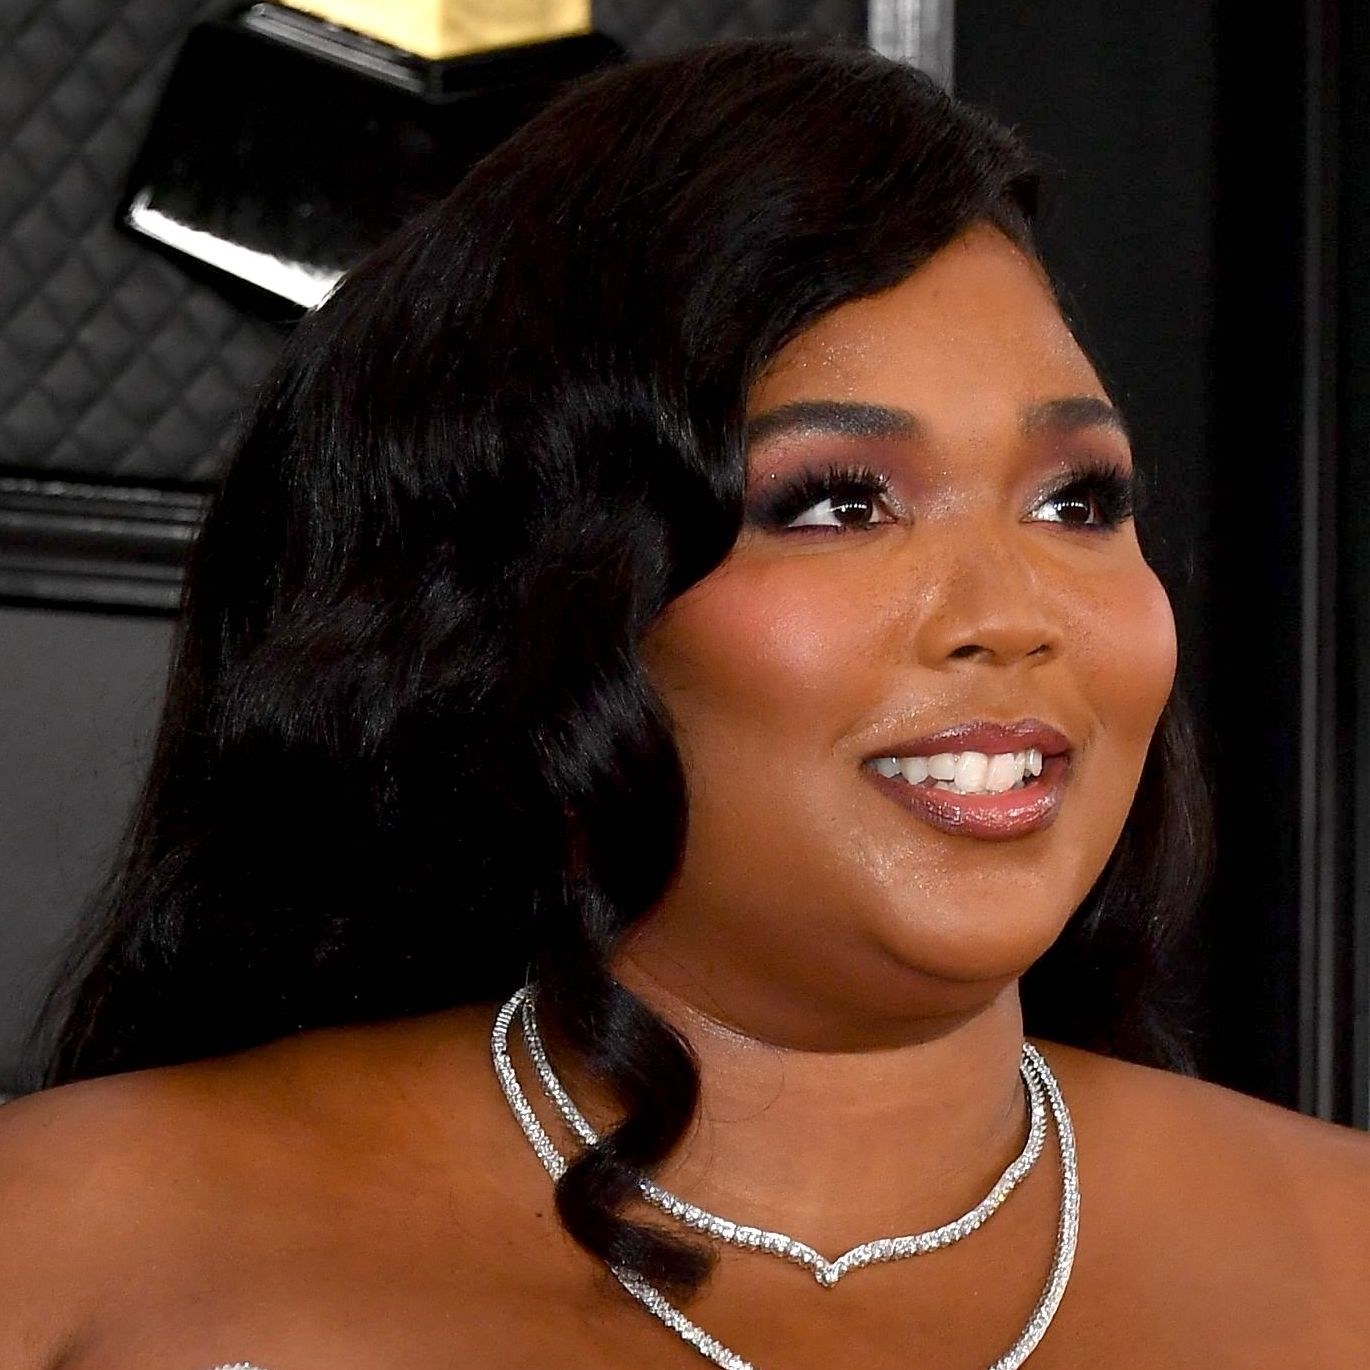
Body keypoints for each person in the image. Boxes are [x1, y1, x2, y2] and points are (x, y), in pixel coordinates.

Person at [2, 36, 1367, 1370]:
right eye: (837, 503)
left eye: (1077, 500)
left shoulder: (1339, 1252)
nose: (1010, 613)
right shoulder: (70, 1244)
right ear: (532, 606)